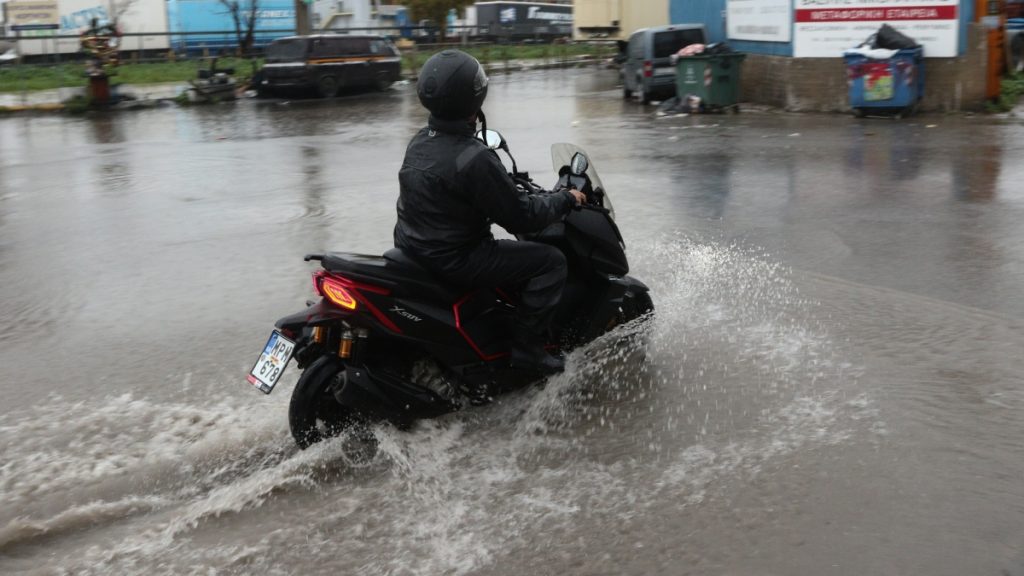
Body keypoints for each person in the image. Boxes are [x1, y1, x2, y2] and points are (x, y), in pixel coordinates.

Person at [394, 50, 585, 374]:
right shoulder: (473, 158)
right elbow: (521, 217)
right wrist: (566, 198)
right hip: (456, 259)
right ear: (473, 98)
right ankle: (528, 351)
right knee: (550, 262)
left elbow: (453, 191)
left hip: (413, 248)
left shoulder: (420, 140)